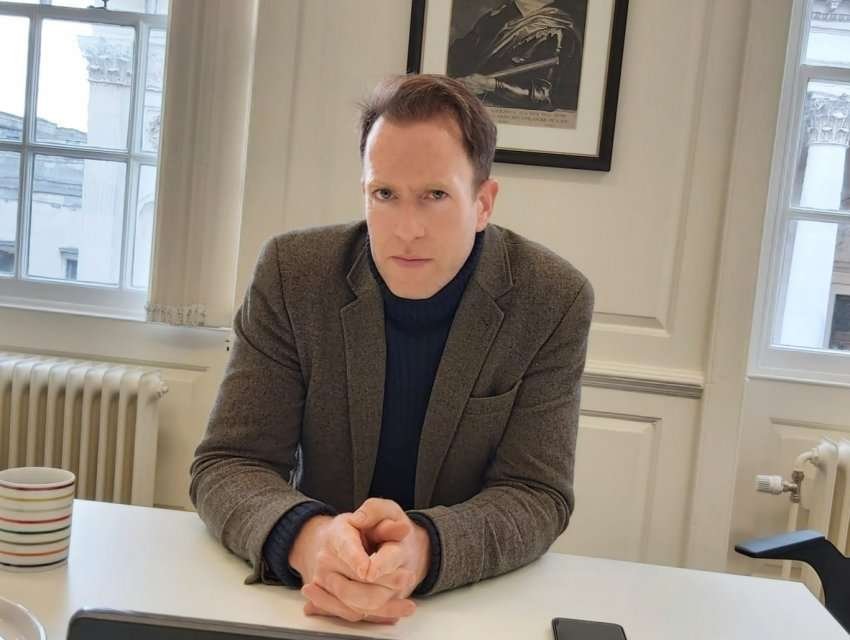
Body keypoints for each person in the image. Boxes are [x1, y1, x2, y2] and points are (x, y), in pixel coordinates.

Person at [190, 73, 594, 626]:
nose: (407, 230)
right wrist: (310, 542)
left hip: (465, 612)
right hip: (305, 604)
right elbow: (228, 463)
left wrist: (423, 549)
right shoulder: (292, 274)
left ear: (482, 204)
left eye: (435, 196)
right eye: (385, 194)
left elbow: (536, 493)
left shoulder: (552, 298)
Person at [448, 0, 586, 111]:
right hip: (469, 108)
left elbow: (542, 96)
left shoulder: (557, 32)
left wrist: (491, 85)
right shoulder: (495, 17)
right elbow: (456, 60)